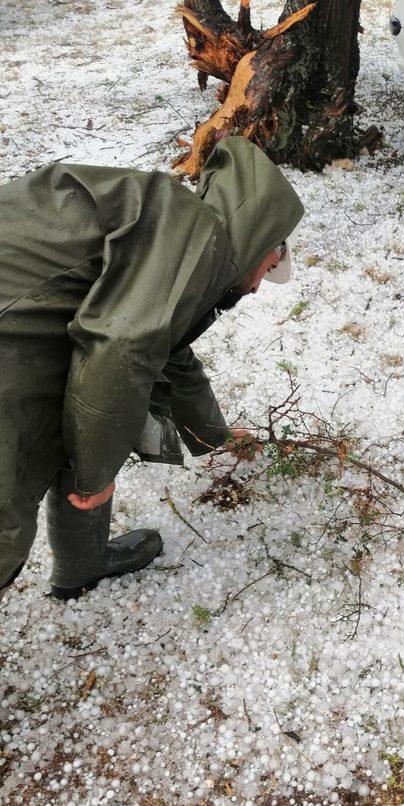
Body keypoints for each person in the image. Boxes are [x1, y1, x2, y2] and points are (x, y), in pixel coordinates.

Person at [0, 137, 304, 602]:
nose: (260, 286)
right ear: (265, 238)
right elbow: (120, 350)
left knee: (85, 412)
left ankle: (82, 566)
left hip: (25, 316)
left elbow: (169, 351)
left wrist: (214, 436)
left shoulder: (181, 231)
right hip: (11, 331)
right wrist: (96, 476)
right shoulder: (193, 235)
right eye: (270, 267)